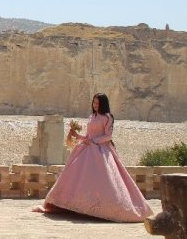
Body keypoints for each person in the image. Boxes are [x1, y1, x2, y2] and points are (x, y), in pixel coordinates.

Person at [34, 93, 152, 222]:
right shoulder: (92, 116)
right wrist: (77, 136)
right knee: (76, 175)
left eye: (97, 103)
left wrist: (95, 142)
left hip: (102, 151)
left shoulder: (107, 117)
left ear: (103, 104)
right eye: (94, 103)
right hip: (87, 148)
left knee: (103, 179)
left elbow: (108, 136)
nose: (95, 105)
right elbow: (88, 136)